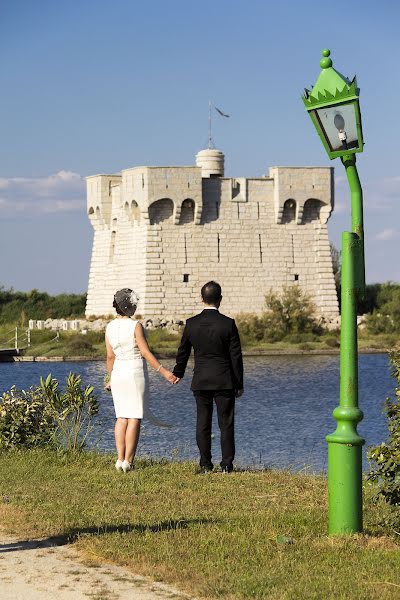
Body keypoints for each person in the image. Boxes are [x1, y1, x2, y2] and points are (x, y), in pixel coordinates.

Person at [173, 281, 244, 473]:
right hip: (224, 380)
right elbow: (235, 356)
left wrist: (178, 373)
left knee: (202, 423)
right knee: (226, 424)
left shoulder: (191, 323)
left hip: (201, 380)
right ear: (220, 299)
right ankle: (227, 465)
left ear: (201, 298)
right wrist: (239, 383)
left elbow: (183, 352)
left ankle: (205, 464)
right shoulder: (228, 323)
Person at [105, 288, 177, 473]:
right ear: (131, 306)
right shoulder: (135, 325)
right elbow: (144, 352)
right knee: (135, 416)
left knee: (121, 416)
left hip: (118, 373)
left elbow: (110, 357)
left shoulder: (110, 327)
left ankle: (119, 459)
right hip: (134, 371)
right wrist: (164, 371)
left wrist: (110, 378)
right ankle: (129, 461)